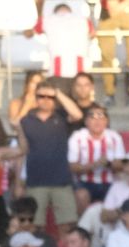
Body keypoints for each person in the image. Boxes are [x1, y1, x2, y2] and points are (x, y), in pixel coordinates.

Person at [16, 82, 82, 234]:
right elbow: (16, 125)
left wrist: (58, 93)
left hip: (61, 180)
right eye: (41, 96)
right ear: (36, 98)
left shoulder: (62, 116)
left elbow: (77, 114)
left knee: (68, 226)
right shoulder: (26, 119)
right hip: (35, 181)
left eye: (50, 97)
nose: (46, 100)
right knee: (35, 226)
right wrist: (19, 182)